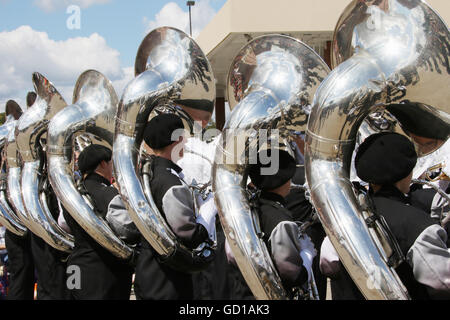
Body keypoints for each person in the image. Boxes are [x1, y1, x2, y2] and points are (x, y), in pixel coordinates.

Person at [321, 132, 450, 299]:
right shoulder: (417, 224)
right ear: (408, 172)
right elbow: (443, 283)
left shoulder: (344, 219)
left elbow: (328, 264)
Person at [133, 113, 217, 300]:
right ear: (177, 139)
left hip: (149, 271)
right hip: (166, 279)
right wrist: (209, 212)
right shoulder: (170, 182)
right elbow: (190, 236)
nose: (186, 142)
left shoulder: (151, 172)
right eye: (183, 137)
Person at [231, 148, 317, 299]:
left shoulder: (249, 207)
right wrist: (307, 253)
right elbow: (292, 276)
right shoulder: (281, 221)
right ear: (285, 181)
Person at [63, 144, 138, 300]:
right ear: (103, 163)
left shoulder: (72, 194)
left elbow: (63, 224)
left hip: (75, 267)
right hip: (101, 273)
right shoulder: (108, 193)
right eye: (111, 163)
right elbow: (127, 230)